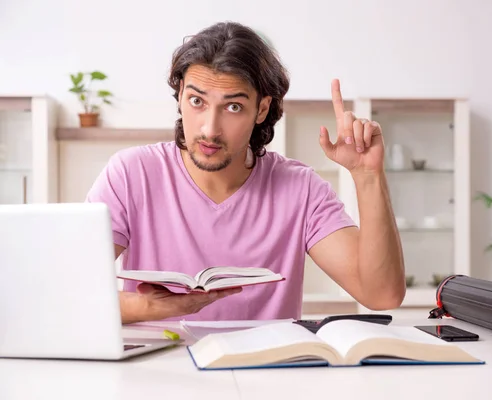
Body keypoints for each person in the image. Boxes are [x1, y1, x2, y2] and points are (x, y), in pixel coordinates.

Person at [86, 21, 406, 324]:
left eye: (233, 107)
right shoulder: (130, 174)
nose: (210, 129)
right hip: (159, 370)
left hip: (264, 372)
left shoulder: (300, 187)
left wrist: (368, 176)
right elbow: (69, 293)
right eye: (197, 101)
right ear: (180, 95)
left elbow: (381, 294)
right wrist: (148, 307)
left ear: (261, 109)